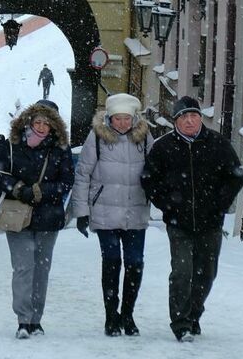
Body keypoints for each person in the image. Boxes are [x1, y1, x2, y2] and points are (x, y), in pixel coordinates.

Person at [140, 95, 243, 342]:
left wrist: (220, 204)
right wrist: (168, 205)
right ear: (176, 121)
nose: (189, 121)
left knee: (206, 272)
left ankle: (194, 314)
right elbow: (148, 180)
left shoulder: (217, 144)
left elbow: (236, 176)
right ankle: (181, 322)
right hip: (179, 223)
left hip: (211, 221)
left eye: (194, 116)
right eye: (184, 117)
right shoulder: (163, 147)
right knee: (182, 271)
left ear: (200, 118)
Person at [69, 93, 154, 337]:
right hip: (104, 210)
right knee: (112, 261)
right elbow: (83, 173)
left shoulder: (144, 137)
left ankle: (127, 314)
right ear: (109, 118)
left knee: (135, 263)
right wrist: (82, 212)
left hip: (136, 209)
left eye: (127, 118)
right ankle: (111, 316)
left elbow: (157, 168)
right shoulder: (97, 137)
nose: (123, 123)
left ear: (134, 118)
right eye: (118, 118)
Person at [0, 99, 76, 339]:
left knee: (41, 269)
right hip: (18, 216)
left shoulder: (60, 149)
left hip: (48, 216)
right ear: (29, 121)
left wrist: (41, 192)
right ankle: (23, 320)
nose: (41, 126)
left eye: (46, 123)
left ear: (54, 126)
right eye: (37, 121)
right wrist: (19, 189)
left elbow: (67, 181)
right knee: (23, 268)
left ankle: (36, 320)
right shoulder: (13, 145)